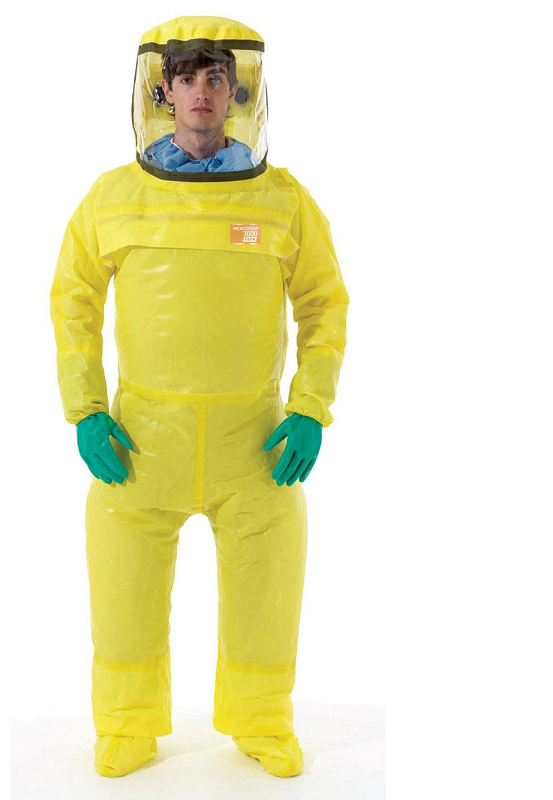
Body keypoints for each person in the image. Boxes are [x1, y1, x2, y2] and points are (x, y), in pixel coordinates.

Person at [49, 15, 349, 779]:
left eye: (218, 77)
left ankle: (262, 721)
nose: (203, 92)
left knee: (267, 587)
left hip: (258, 443)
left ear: (238, 90)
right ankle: (125, 725)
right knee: (123, 589)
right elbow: (73, 299)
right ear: (163, 90)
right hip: (138, 441)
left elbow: (324, 303)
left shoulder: (283, 199)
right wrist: (86, 409)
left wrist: (310, 408)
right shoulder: (114, 197)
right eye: (187, 78)